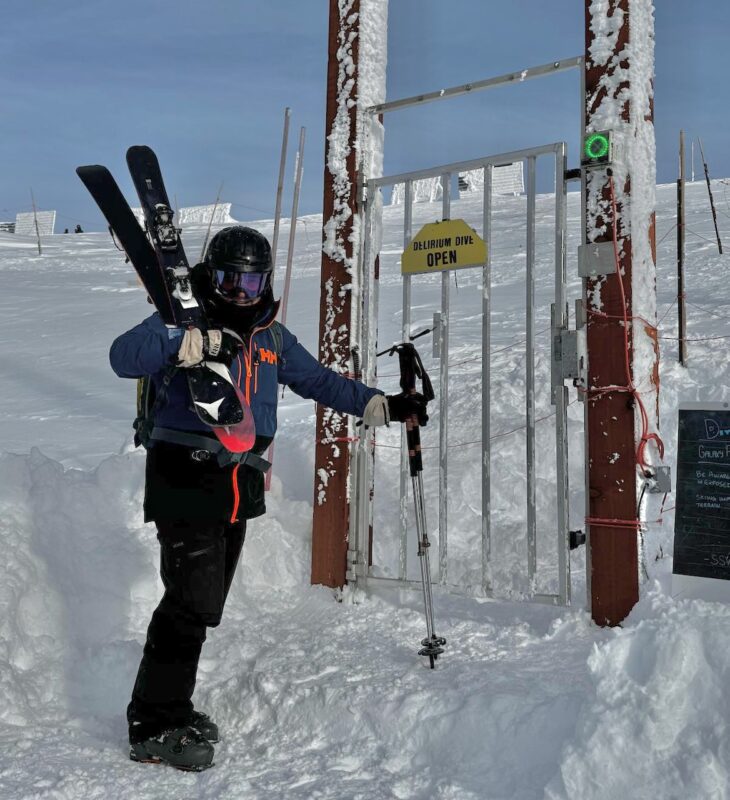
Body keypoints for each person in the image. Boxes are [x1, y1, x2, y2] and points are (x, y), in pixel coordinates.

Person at [109, 226, 427, 771]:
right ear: (212, 275)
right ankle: (153, 724)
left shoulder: (272, 338)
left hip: (237, 487)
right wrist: (186, 342)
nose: (240, 293)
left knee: (202, 606)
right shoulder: (183, 320)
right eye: (230, 279)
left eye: (251, 280)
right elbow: (123, 356)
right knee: (190, 604)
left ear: (266, 280)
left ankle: (169, 707)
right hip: (185, 477)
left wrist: (383, 406)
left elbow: (323, 383)